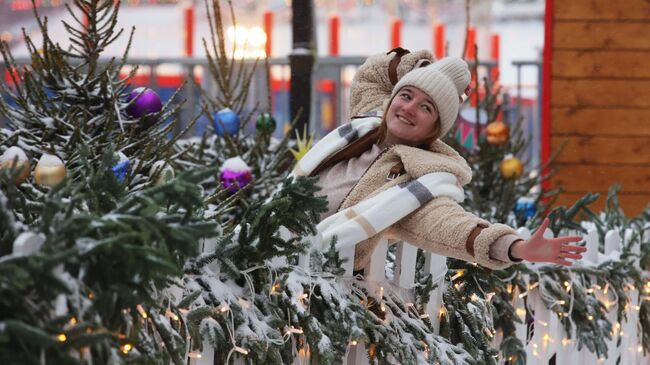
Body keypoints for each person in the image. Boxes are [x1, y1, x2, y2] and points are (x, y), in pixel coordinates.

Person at [293, 56, 585, 271]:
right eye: (406, 96)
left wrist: (515, 248)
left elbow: (450, 225)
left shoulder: (416, 183)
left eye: (426, 107)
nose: (408, 108)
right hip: (269, 249)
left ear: (435, 127)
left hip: (317, 282)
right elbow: (372, 74)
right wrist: (421, 65)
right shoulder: (364, 124)